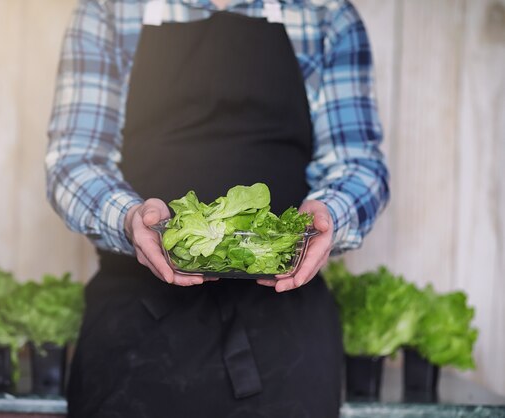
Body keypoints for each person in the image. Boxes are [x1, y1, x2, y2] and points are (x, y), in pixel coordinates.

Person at [45, 0, 389, 415]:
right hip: (135, 332)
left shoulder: (325, 14)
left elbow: (359, 164)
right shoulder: (109, 11)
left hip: (285, 336)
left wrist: (330, 214)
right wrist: (129, 217)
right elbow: (75, 160)